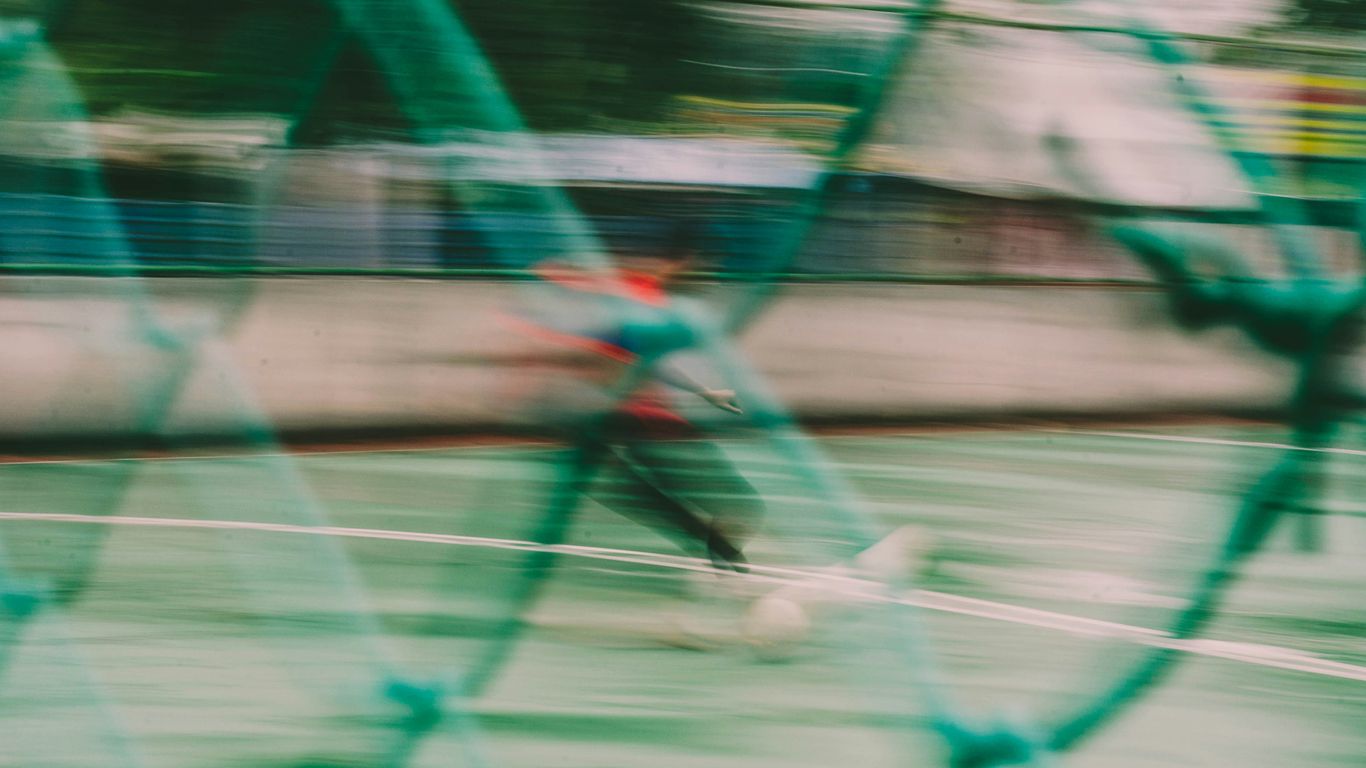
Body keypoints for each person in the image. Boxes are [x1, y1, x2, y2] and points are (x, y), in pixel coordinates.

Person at [510, 219, 764, 573]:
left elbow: (637, 359)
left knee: (629, 491)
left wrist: (706, 392)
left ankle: (713, 548)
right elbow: (617, 358)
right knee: (736, 504)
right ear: (686, 261)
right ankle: (716, 552)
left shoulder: (643, 296)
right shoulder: (640, 298)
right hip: (622, 416)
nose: (706, 279)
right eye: (704, 268)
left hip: (612, 415)